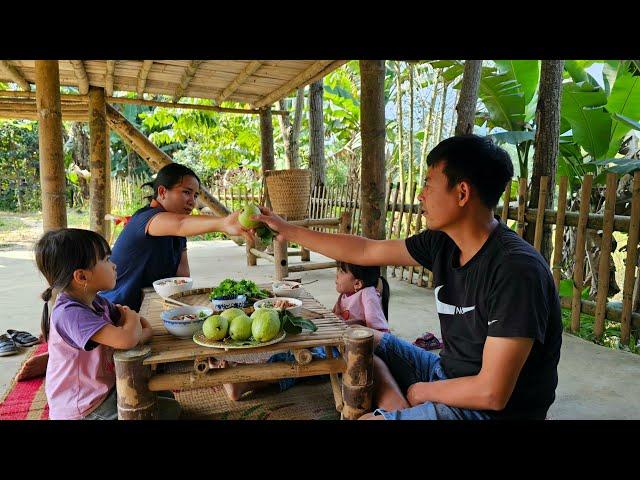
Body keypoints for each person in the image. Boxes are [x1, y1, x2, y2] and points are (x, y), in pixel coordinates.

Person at [251, 134, 563, 420]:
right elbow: (365, 251)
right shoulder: (443, 242)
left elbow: (492, 392)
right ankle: (397, 408)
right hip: (447, 374)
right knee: (362, 338)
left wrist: (423, 392)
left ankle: (398, 408)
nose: (420, 195)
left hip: (494, 411)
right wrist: (290, 231)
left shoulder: (516, 271)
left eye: (428, 184)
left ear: (462, 192)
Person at [34, 228, 181, 420]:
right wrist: (132, 320)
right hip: (85, 407)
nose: (114, 265)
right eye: (106, 260)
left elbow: (141, 332)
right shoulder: (70, 314)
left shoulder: (96, 302)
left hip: (104, 390)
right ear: (82, 277)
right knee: (168, 411)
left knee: (166, 398)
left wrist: (133, 328)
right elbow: (128, 337)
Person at [222, 262, 391, 400]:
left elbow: (380, 332)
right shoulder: (346, 295)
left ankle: (244, 383)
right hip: (337, 344)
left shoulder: (368, 295)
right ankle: (246, 372)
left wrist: (349, 325)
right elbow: (333, 319)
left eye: (341, 271)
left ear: (358, 283)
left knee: (301, 363)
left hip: (351, 353)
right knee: (293, 352)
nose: (336, 275)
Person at [101, 163, 247, 311]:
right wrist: (223, 223)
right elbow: (181, 224)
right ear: (163, 192)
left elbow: (182, 278)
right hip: (113, 311)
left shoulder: (178, 232)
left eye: (195, 195)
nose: (193, 201)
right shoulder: (146, 219)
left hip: (146, 309)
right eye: (186, 192)